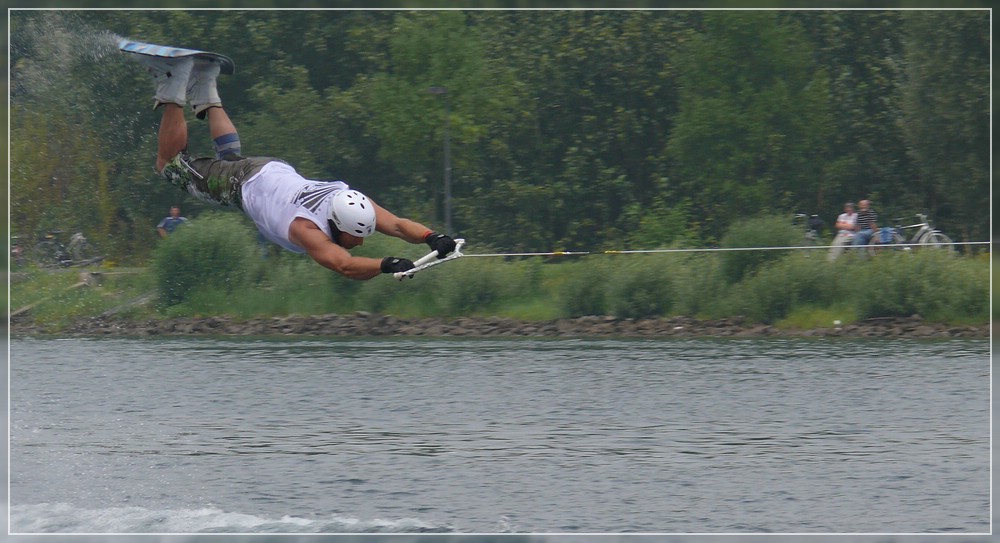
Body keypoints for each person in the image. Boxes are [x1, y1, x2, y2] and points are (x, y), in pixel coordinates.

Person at [136, 53, 455, 280]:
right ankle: (172, 85)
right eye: (355, 237)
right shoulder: (306, 229)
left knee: (230, 159)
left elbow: (398, 225)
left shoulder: (349, 199)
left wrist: (433, 237)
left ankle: (205, 81)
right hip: (243, 184)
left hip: (270, 171)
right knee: (170, 165)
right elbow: (345, 266)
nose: (359, 242)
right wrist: (386, 264)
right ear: (337, 222)